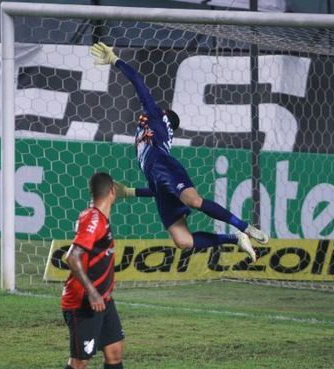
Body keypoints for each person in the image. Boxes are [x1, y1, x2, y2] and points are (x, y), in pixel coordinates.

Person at [89, 42, 269, 262]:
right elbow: (160, 189)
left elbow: (138, 83)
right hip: (157, 178)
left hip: (165, 168)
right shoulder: (155, 137)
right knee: (183, 241)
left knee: (193, 200)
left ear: (164, 117)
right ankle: (236, 238)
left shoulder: (156, 119)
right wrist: (129, 191)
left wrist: (116, 60)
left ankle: (245, 226)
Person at [61, 172, 124, 369]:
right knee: (80, 361)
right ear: (112, 191)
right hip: (84, 302)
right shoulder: (93, 219)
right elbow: (72, 256)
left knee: (114, 352)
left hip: (103, 300)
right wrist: (93, 292)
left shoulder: (99, 219)